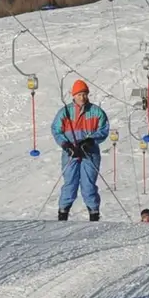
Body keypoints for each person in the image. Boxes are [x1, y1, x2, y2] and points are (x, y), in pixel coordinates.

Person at [51, 79, 110, 221]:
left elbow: (104, 130)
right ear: (74, 95)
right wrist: (65, 144)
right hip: (70, 152)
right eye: (79, 94)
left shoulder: (96, 112)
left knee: (88, 183)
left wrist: (90, 141)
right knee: (70, 182)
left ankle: (94, 212)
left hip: (89, 152)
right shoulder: (65, 112)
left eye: (84, 94)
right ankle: (63, 212)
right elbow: (56, 130)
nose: (82, 97)